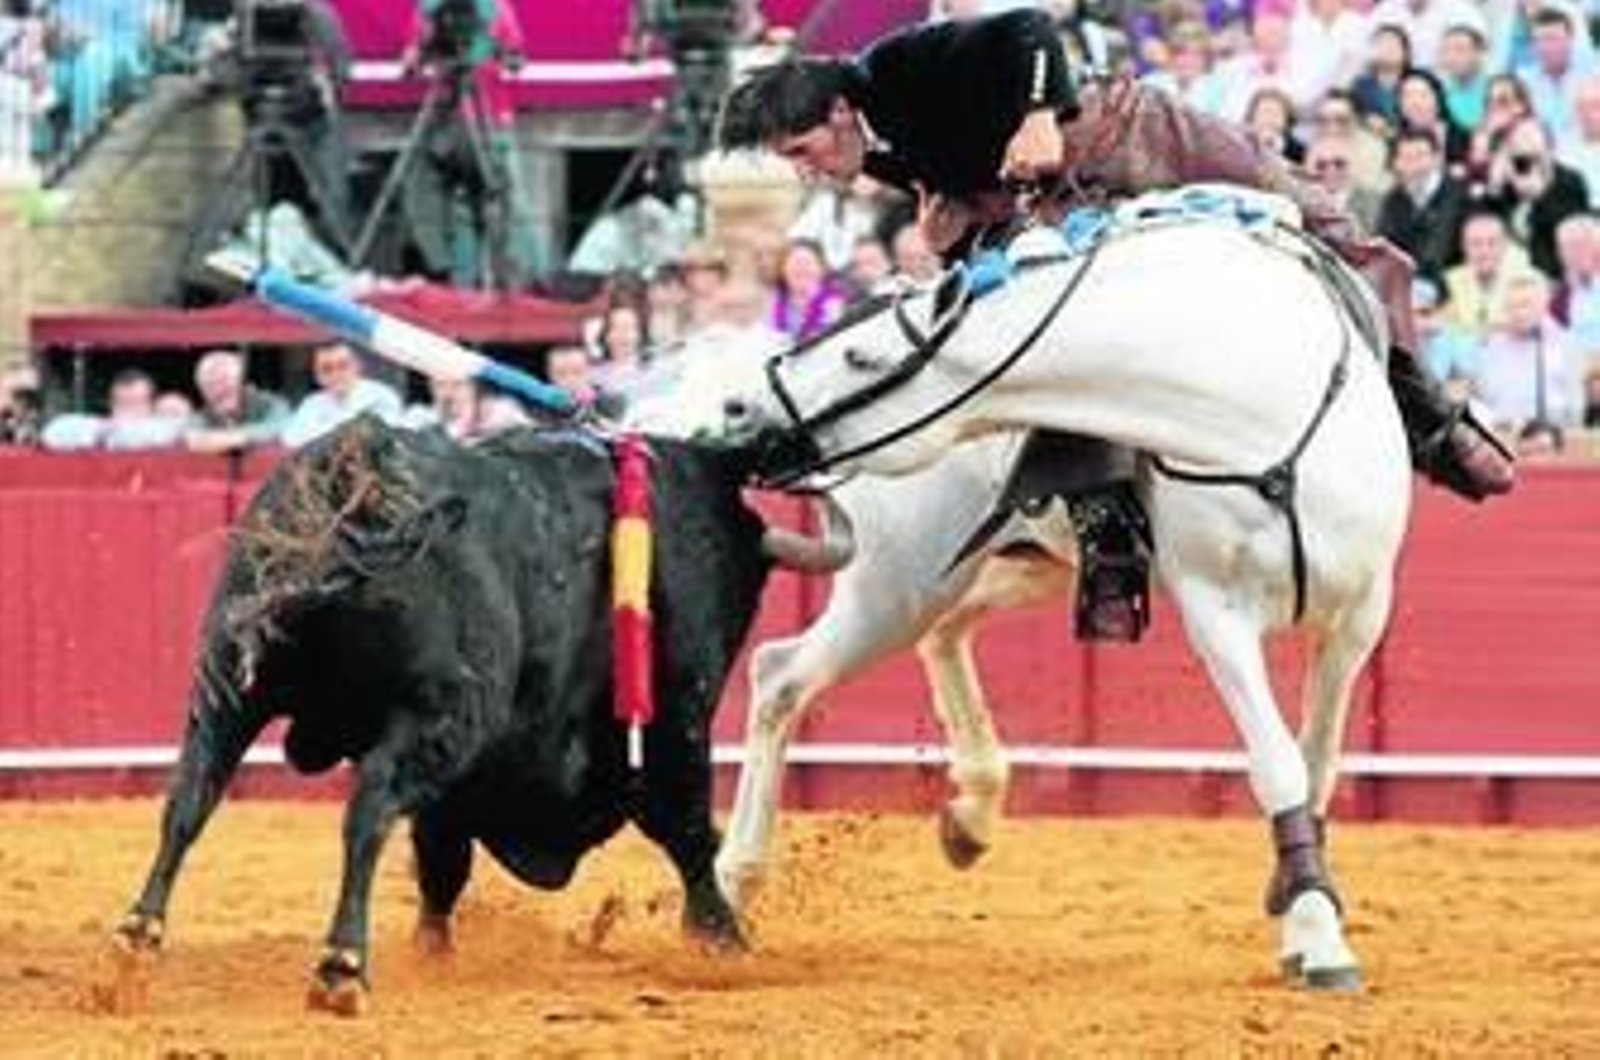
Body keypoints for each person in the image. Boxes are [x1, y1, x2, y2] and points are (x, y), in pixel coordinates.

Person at [717, 7, 1514, 641]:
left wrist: (1035, 112)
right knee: (1046, 363)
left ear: (839, 108)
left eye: (802, 146)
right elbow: (969, 193)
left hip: (1139, 144)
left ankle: (1428, 416)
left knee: (1342, 237)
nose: (805, 167)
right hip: (1060, 210)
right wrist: (949, 228)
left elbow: (1028, 30)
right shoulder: (880, 150)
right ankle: (1107, 533)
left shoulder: (898, 65)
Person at [184, 348, 290, 454]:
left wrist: (237, 437)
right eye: (210, 384)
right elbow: (193, 437)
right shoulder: (202, 416)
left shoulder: (270, 404)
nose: (219, 390)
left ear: (241, 382)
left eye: (224, 380)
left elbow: (281, 426)